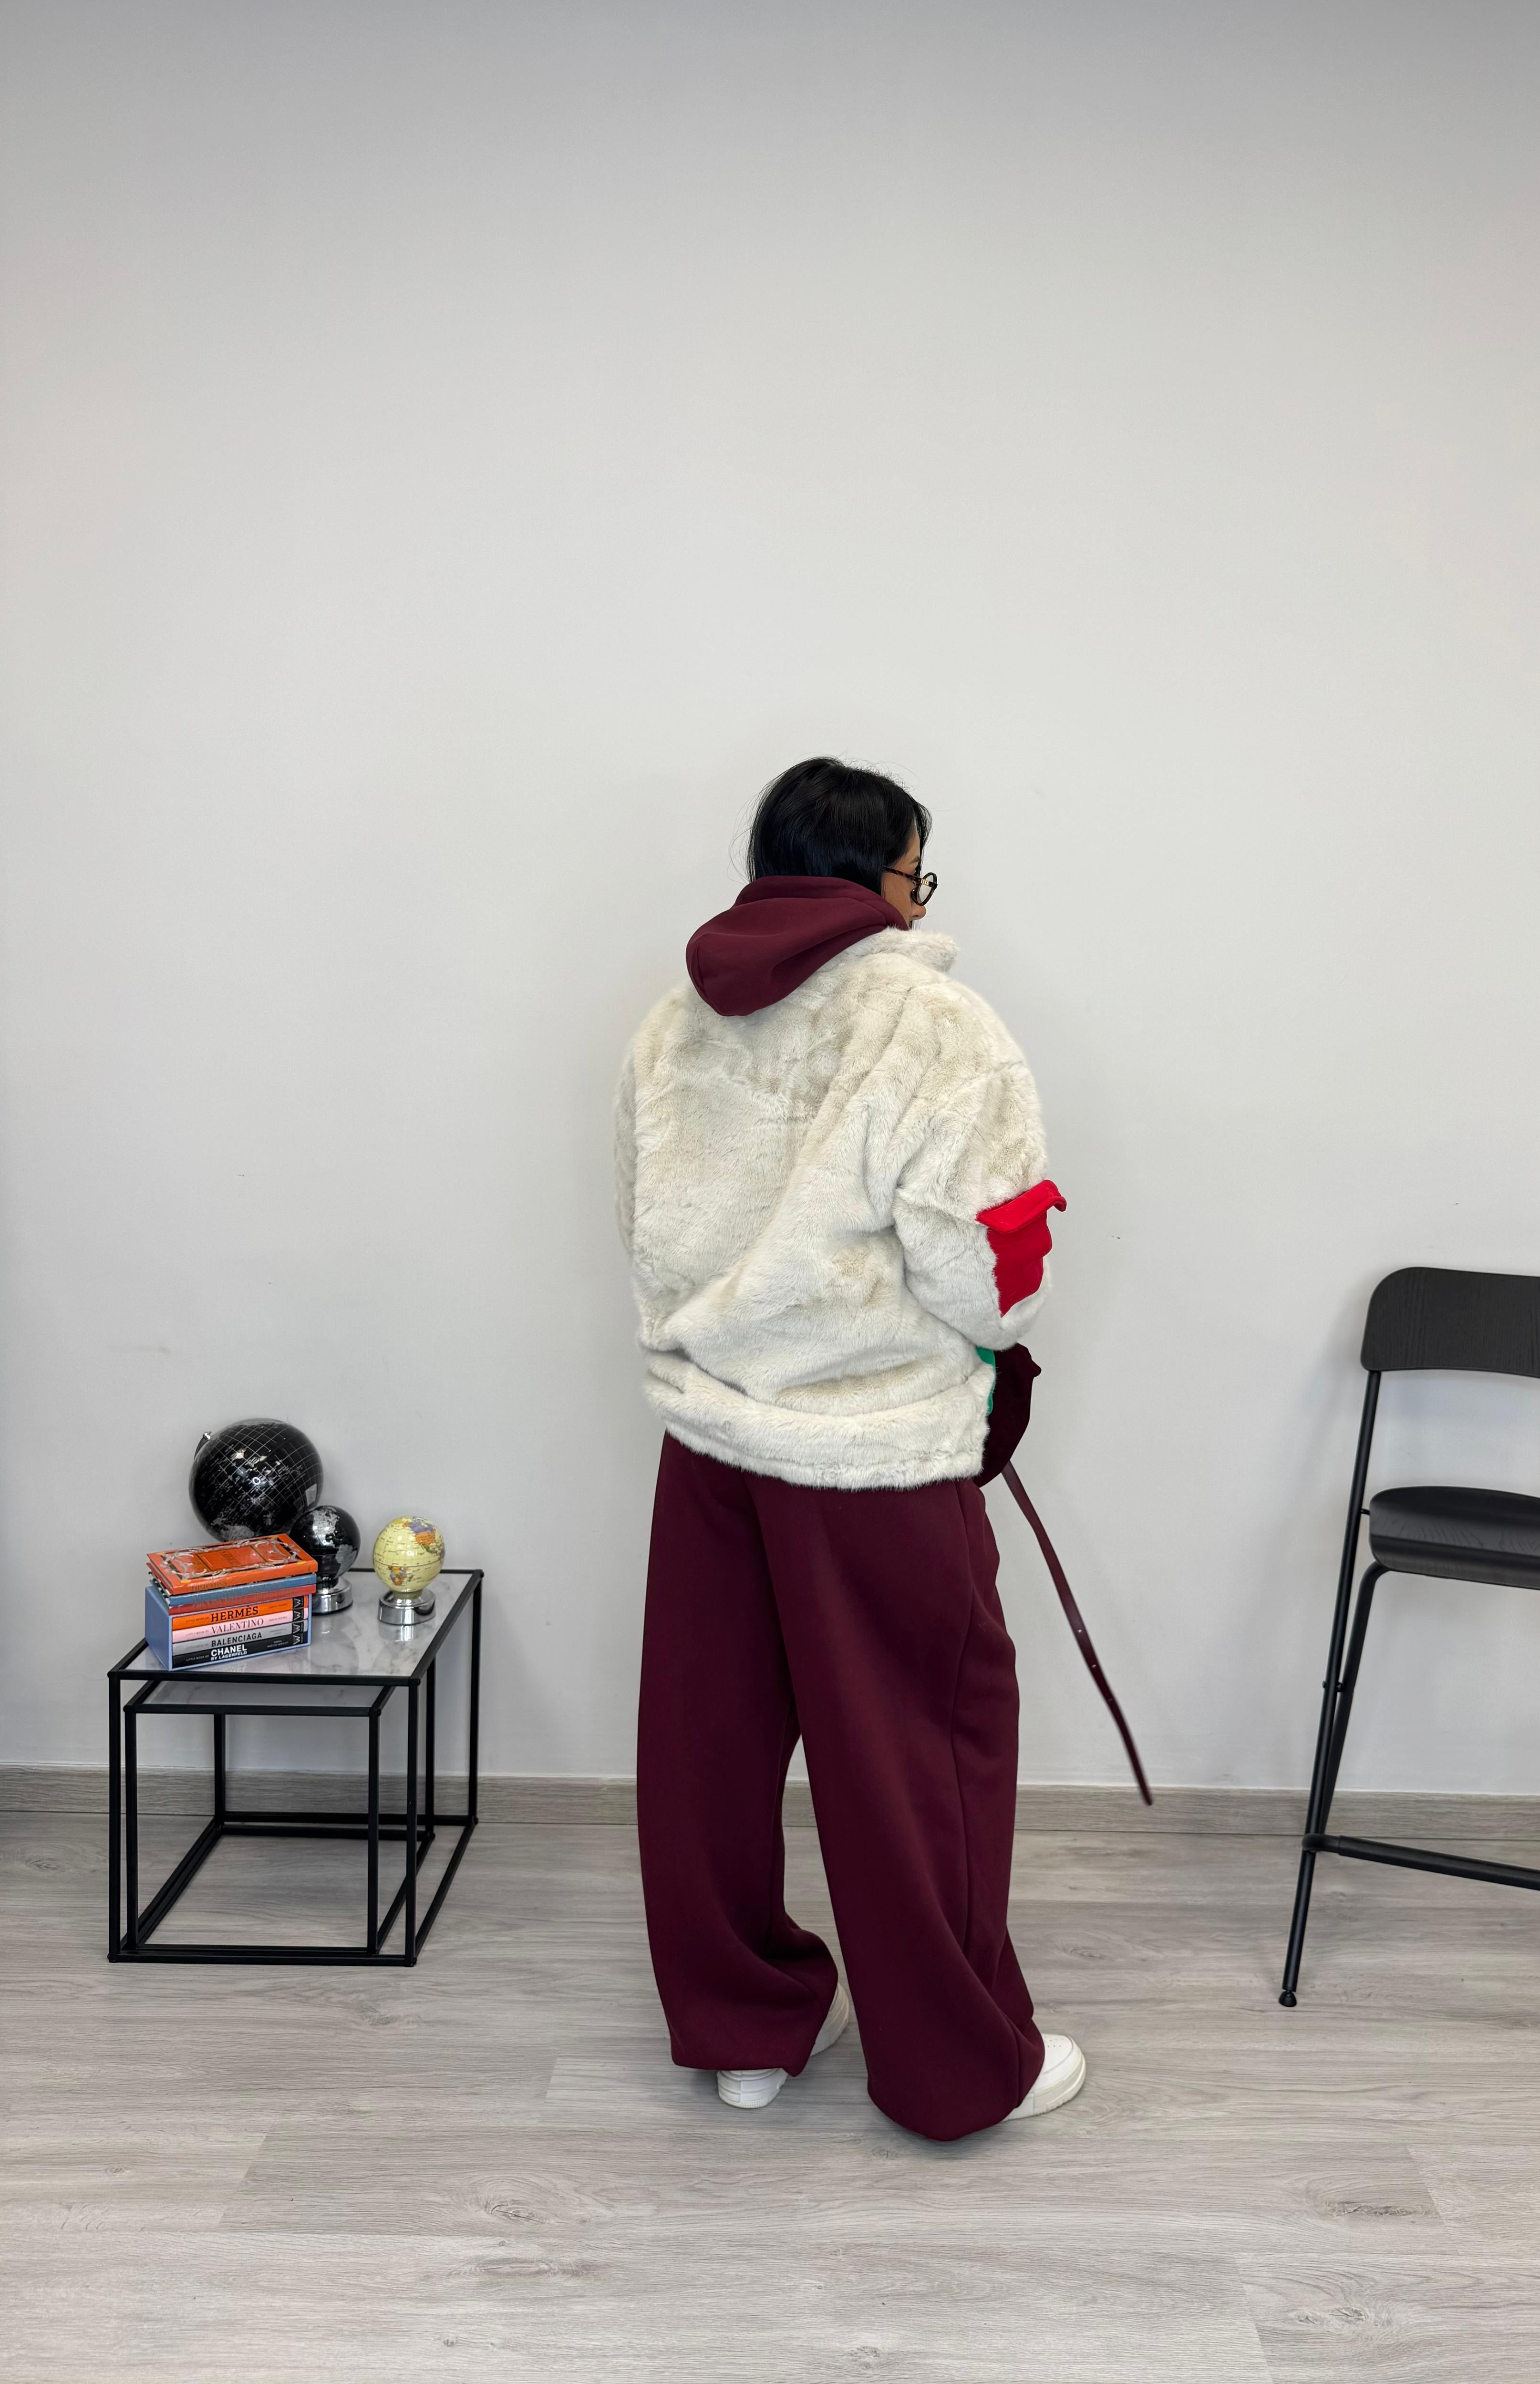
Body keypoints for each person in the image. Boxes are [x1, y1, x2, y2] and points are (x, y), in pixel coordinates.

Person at [614, 756, 1080, 2142]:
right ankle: (954, 2069)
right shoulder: (936, 1025)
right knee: (919, 1753)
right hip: (872, 1455)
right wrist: (999, 1335)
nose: (920, 902)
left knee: (708, 1747)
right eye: (917, 875)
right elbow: (988, 1272)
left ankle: (745, 2032)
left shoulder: (670, 1024)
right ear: (880, 877)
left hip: (712, 1436)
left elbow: (643, 1220)